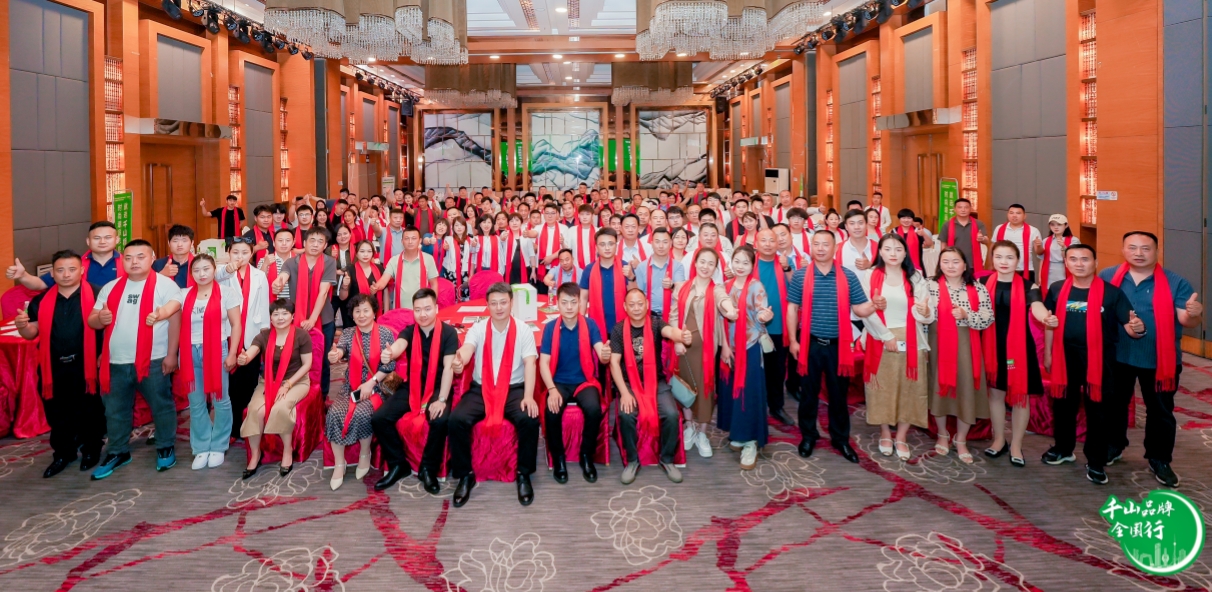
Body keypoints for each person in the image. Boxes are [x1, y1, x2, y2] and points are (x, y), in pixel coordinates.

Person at [1099, 231, 1202, 487]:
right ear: (1123, 250)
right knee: (1114, 405)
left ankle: (1159, 459)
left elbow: (1186, 320)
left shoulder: (1175, 282)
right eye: (1132, 247)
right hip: (1118, 355)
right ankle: (1113, 445)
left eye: (1145, 248)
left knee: (1160, 411)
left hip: (1159, 359)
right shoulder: (1108, 276)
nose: (1138, 253)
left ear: (1157, 251)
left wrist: (1194, 314)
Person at [786, 231, 886, 463]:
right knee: (808, 395)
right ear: (811, 247)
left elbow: (859, 308)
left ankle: (840, 439)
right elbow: (792, 308)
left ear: (834, 248)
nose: (821, 248)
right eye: (816, 244)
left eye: (826, 244)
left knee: (838, 396)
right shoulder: (801, 276)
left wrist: (874, 305)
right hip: (810, 344)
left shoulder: (847, 276)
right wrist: (793, 341)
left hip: (838, 346)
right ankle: (808, 436)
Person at [87, 239, 182, 480]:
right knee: (115, 410)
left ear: (152, 258)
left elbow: (175, 320)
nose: (134, 262)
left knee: (161, 405)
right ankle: (118, 451)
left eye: (140, 257)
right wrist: (100, 319)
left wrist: (172, 354)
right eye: (128, 258)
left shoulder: (165, 285)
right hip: (116, 361)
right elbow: (92, 320)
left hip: (153, 359)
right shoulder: (111, 287)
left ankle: (165, 446)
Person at [1043, 244, 1136, 485]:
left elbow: (1130, 325)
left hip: (1100, 360)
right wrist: (1048, 354)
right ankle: (1063, 448)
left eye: (1085, 259)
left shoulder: (1111, 293)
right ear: (1066, 263)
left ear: (1095, 263)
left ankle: (1096, 460)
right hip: (1065, 357)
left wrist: (1137, 328)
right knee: (1063, 405)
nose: (1079, 264)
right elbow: (1049, 322)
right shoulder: (1057, 289)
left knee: (1098, 411)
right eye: (1073, 259)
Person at [447, 283, 540, 508]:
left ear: (511, 303)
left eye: (503, 302)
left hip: (513, 388)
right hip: (482, 388)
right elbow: (468, 348)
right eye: (494, 303)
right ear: (487, 305)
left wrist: (528, 396)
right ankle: (465, 475)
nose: (499, 307)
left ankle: (523, 474)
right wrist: (460, 359)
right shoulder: (479, 328)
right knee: (457, 419)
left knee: (529, 418)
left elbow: (530, 363)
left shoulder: (523, 330)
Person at [14, 250, 105, 477]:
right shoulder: (41, 300)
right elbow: (31, 332)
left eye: (72, 269)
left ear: (81, 270)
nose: (66, 274)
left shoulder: (97, 294)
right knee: (57, 412)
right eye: (60, 270)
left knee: (90, 410)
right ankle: (64, 453)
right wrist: (22, 326)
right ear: (52, 274)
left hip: (87, 366)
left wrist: (104, 354)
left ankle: (91, 450)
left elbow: (108, 328)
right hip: (53, 367)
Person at [150, 254, 242, 470]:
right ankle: (201, 447)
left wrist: (233, 353)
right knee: (196, 401)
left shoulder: (226, 293)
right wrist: (159, 314)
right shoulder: (184, 294)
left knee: (221, 399)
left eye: (206, 269)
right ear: (191, 273)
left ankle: (218, 445)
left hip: (217, 349)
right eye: (197, 270)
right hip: (189, 352)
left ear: (214, 270)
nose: (202, 274)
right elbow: (169, 309)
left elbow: (236, 324)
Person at [373, 288, 458, 492]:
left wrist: (442, 399)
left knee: (440, 420)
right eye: (418, 310)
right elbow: (398, 346)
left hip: (438, 387)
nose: (423, 314)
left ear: (436, 308)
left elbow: (449, 368)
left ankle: (428, 469)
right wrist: (389, 353)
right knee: (379, 419)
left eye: (427, 309)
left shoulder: (448, 333)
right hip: (413, 386)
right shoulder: (410, 331)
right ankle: (398, 464)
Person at [861, 234, 934, 460]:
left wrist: (925, 312)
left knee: (909, 389)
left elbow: (927, 313)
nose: (893, 253)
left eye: (898, 249)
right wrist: (886, 336)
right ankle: (885, 432)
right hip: (879, 337)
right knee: (881, 388)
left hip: (911, 339)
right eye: (887, 249)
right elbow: (864, 310)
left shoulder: (916, 277)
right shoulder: (870, 275)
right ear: (880, 252)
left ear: (905, 253)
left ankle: (901, 436)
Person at [981, 241, 1052, 466]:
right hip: (991, 347)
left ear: (1018, 260)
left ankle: (1016, 445)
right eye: (999, 257)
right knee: (995, 394)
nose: (1004, 262)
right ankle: (999, 440)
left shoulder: (1029, 286)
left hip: (1018, 350)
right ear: (992, 259)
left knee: (1021, 396)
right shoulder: (982, 283)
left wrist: (1046, 317)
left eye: (1009, 257)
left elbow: (1037, 307)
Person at [611, 288, 692, 484]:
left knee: (672, 415)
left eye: (640, 304)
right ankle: (632, 461)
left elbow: (670, 331)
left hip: (656, 382)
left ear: (647, 304)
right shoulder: (618, 330)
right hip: (630, 383)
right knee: (625, 415)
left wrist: (681, 335)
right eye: (632, 305)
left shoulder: (655, 323)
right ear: (625, 307)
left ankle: (667, 459)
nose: (636, 308)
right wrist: (624, 393)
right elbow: (614, 363)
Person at [925, 247, 994, 464]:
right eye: (945, 261)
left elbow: (988, 318)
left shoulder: (978, 288)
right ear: (939, 264)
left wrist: (966, 314)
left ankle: (961, 438)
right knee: (938, 388)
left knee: (966, 390)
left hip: (967, 345)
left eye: (956, 261)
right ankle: (942, 434)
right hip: (937, 344)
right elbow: (920, 316)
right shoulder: (929, 286)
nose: (950, 266)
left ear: (965, 265)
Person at [539, 283, 612, 483]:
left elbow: (601, 354)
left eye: (573, 302)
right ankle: (559, 458)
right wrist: (552, 389)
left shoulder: (590, 325)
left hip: (584, 381)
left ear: (580, 303)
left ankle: (586, 455)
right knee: (551, 411)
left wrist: (605, 354)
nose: (569, 307)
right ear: (558, 304)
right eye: (565, 302)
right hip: (559, 382)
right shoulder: (550, 328)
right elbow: (543, 363)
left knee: (594, 409)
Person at [324, 295, 396, 490]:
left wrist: (371, 384)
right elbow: (340, 350)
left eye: (366, 310)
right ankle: (340, 463)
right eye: (357, 311)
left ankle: (365, 454)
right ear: (352, 315)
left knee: (363, 413)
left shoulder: (385, 333)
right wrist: (335, 355)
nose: (362, 315)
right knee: (334, 413)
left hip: (377, 385)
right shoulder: (348, 333)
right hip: (352, 386)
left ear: (374, 313)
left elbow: (389, 366)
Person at [672, 248, 738, 458]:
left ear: (715, 268)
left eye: (711, 263)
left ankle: (702, 433)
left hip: (706, 350)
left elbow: (723, 301)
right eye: (702, 262)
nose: (705, 266)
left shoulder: (716, 289)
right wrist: (677, 339)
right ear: (695, 263)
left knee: (705, 390)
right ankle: (689, 426)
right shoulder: (682, 287)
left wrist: (730, 310)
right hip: (684, 347)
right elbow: (673, 315)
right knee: (685, 388)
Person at [236, 300, 314, 478]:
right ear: (270, 318)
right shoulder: (264, 335)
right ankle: (256, 454)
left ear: (292, 316)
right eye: (276, 314)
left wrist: (287, 385)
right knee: (255, 410)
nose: (280, 318)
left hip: (297, 382)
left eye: (285, 313)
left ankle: (287, 451)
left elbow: (307, 365)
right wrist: (243, 358)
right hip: (268, 382)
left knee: (280, 408)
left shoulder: (301, 336)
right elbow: (250, 353)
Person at [719, 247, 774, 469]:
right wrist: (724, 346)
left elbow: (761, 311)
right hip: (729, 347)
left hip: (749, 346)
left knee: (749, 394)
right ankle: (739, 433)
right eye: (737, 261)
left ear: (752, 265)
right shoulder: (726, 286)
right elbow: (720, 319)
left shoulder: (756, 286)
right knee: (733, 393)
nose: (740, 266)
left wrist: (764, 315)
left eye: (745, 262)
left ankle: (751, 441)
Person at [215, 237, 271, 441]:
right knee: (228, 385)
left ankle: (246, 426)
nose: (240, 257)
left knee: (249, 383)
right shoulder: (222, 272)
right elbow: (216, 275)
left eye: (245, 252)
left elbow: (264, 307)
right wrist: (227, 269)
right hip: (227, 335)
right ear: (228, 253)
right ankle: (230, 428)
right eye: (235, 252)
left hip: (251, 335)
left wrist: (264, 337)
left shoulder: (259, 276)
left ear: (252, 253)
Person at [272, 227, 338, 395]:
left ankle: (321, 398)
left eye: (320, 241)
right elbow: (283, 277)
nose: (315, 245)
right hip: (297, 321)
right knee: (297, 360)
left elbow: (323, 293)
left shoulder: (330, 262)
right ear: (304, 242)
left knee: (322, 360)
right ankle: (300, 397)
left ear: (325, 245)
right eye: (312, 240)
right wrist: (278, 283)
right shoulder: (291, 262)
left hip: (323, 319)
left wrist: (313, 319)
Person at [753, 229, 796, 426]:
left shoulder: (785, 262)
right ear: (756, 243)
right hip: (754, 327)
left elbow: (797, 287)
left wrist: (787, 268)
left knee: (777, 370)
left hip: (778, 326)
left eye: (772, 240)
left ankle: (776, 406)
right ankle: (756, 407)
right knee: (755, 370)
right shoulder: (750, 262)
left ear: (778, 243)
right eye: (764, 240)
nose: (768, 244)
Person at [8, 221, 123, 290]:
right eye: (97, 238)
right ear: (88, 241)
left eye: (108, 237)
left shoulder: (127, 263)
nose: (102, 242)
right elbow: (39, 284)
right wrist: (23, 275)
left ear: (117, 239)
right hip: (83, 316)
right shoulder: (74, 264)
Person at [373, 227, 439, 310]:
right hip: (400, 310)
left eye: (414, 238)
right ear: (402, 241)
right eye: (407, 238)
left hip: (422, 309)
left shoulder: (428, 259)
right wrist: (376, 286)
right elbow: (383, 280)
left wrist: (432, 304)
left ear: (420, 241)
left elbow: (434, 284)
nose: (410, 242)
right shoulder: (394, 260)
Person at [633, 228, 686, 324]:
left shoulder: (678, 266)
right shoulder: (642, 267)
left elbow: (681, 292)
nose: (661, 246)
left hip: (672, 317)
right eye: (657, 242)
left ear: (670, 244)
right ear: (652, 244)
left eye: (665, 242)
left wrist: (672, 286)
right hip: (648, 317)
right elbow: (638, 295)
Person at [991, 204, 1043, 282]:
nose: (1014, 215)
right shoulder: (999, 228)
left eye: (1018, 213)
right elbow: (993, 248)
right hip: (1003, 268)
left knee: (1025, 290)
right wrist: (991, 264)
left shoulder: (1033, 230)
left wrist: (1038, 246)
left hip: (1025, 270)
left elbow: (1039, 252)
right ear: (1007, 215)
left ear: (1024, 216)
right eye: (1011, 213)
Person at [937, 198, 988, 271]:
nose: (963, 210)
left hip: (972, 263)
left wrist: (982, 238)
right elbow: (943, 245)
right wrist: (943, 260)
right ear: (955, 209)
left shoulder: (978, 224)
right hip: (954, 262)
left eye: (966, 207)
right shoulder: (947, 225)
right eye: (960, 207)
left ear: (970, 209)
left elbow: (986, 240)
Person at [340, 240, 384, 314]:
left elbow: (385, 291)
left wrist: (386, 312)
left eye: (369, 251)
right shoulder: (350, 270)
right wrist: (345, 286)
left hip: (375, 311)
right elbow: (342, 297)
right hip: (354, 312)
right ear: (357, 254)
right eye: (362, 251)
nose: (366, 255)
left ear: (373, 253)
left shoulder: (379, 268)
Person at [1039, 214, 1078, 294]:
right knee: (1049, 293)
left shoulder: (1074, 240)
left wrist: (1063, 247)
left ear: (1066, 225)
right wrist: (1040, 276)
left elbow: (1072, 258)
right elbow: (1042, 259)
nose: (1056, 227)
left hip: (1064, 269)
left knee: (1064, 291)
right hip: (1049, 271)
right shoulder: (1046, 240)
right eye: (1052, 225)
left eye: (1059, 224)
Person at [152, 224, 196, 288]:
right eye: (175, 241)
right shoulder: (158, 264)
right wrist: (161, 275)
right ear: (169, 243)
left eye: (184, 240)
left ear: (192, 243)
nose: (179, 244)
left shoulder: (198, 263)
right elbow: (148, 287)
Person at [893, 208, 934, 274]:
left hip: (916, 265)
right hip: (897, 265)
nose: (906, 220)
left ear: (912, 219)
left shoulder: (917, 231)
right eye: (903, 218)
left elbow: (929, 244)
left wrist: (924, 234)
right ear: (899, 219)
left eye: (909, 218)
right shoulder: (894, 231)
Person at [442, 214, 473, 300]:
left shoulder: (470, 239)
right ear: (452, 227)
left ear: (465, 227)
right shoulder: (448, 239)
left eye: (461, 225)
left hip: (465, 271)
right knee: (453, 295)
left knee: (465, 295)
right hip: (452, 271)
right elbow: (444, 250)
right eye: (456, 225)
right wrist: (445, 248)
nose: (459, 227)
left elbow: (473, 257)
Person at [260, 228, 296, 300]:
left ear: (293, 243)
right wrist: (265, 264)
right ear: (274, 243)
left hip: (294, 303)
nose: (284, 243)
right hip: (273, 304)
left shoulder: (299, 261)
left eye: (288, 240)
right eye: (280, 240)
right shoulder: (265, 260)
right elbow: (258, 283)